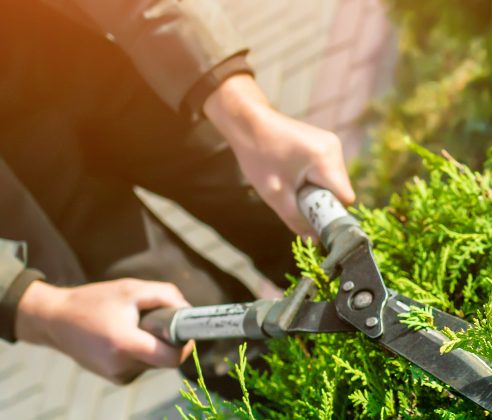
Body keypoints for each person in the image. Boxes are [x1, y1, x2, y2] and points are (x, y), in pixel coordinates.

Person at [0, 0, 357, 385]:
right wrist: (38, 308)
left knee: (287, 211)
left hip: (70, 52)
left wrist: (249, 118)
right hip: (21, 192)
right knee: (212, 336)